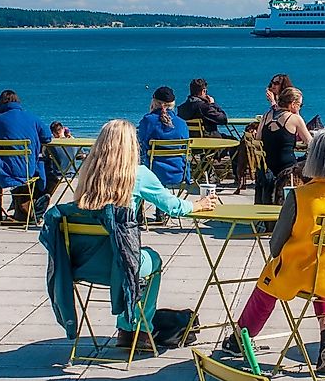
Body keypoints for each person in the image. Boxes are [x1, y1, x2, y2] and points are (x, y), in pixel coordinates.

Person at [62, 119, 218, 348]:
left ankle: (127, 330)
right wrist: (198, 205)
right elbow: (172, 206)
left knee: (128, 260)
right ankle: (139, 330)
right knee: (152, 260)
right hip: (119, 264)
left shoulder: (88, 172)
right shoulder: (138, 175)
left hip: (82, 265)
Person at [223, 130, 325, 375]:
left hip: (302, 274)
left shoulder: (300, 196)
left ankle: (239, 339)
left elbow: (275, 245)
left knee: (269, 279)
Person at [0, 89, 50, 222]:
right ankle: (32, 208)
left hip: (1, 171)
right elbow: (48, 137)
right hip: (27, 170)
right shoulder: (31, 118)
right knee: (46, 165)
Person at [138, 86, 190, 188]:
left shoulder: (148, 121)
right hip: (177, 173)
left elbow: (140, 143)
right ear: (173, 104)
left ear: (154, 102)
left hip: (151, 174)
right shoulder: (182, 123)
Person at [260, 86, 312, 181]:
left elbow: (258, 137)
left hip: (268, 167)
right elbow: (311, 143)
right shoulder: (294, 119)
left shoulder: (266, 116)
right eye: (300, 105)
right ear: (293, 104)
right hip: (287, 169)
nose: (300, 107)